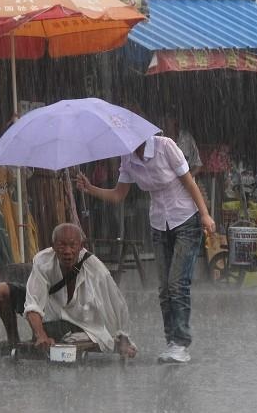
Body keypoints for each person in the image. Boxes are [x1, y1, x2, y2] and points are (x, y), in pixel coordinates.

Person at [77, 134, 215, 364]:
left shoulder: (165, 147)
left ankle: (181, 343)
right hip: (159, 223)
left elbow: (189, 181)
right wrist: (90, 188)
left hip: (186, 219)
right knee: (164, 288)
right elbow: (118, 195)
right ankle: (172, 341)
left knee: (177, 283)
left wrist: (205, 214)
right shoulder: (128, 158)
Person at [0, 223, 137, 359]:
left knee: (61, 336)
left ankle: (50, 338)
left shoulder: (95, 267)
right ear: (54, 246)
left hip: (79, 319)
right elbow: (33, 304)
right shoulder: (43, 260)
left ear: (81, 246)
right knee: (1, 290)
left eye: (72, 245)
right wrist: (40, 335)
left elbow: (117, 303)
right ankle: (13, 342)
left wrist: (123, 338)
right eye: (62, 245)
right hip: (49, 309)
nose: (67, 251)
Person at [163, 110, 203, 176]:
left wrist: (185, 181)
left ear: (175, 120)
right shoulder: (158, 140)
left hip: (185, 183)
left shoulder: (187, 138)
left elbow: (197, 165)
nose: (165, 122)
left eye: (169, 118)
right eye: (164, 119)